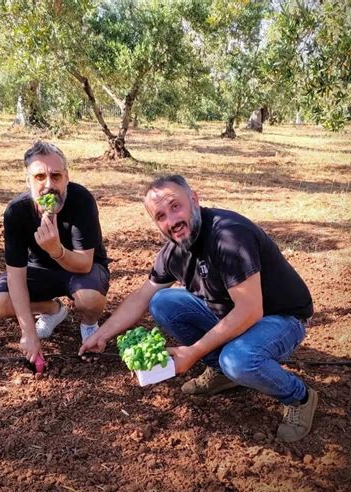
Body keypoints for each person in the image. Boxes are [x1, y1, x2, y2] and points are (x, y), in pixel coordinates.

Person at [80, 175, 317, 442]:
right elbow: (141, 298)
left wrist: (192, 352)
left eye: (175, 206)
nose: (171, 221)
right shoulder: (173, 252)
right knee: (161, 301)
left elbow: (250, 310)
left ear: (194, 199)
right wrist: (101, 335)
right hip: (232, 313)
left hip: (282, 317)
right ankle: (221, 372)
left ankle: (299, 397)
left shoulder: (228, 236)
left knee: (238, 360)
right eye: (160, 216)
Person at [0, 141, 110, 365]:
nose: (48, 185)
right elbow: (16, 275)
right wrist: (28, 332)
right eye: (40, 177)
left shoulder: (81, 200)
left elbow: (84, 263)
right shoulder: (16, 212)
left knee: (89, 299)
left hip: (81, 270)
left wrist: (56, 250)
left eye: (56, 176)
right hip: (39, 271)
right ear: (28, 181)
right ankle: (53, 310)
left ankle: (89, 323)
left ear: (67, 177)